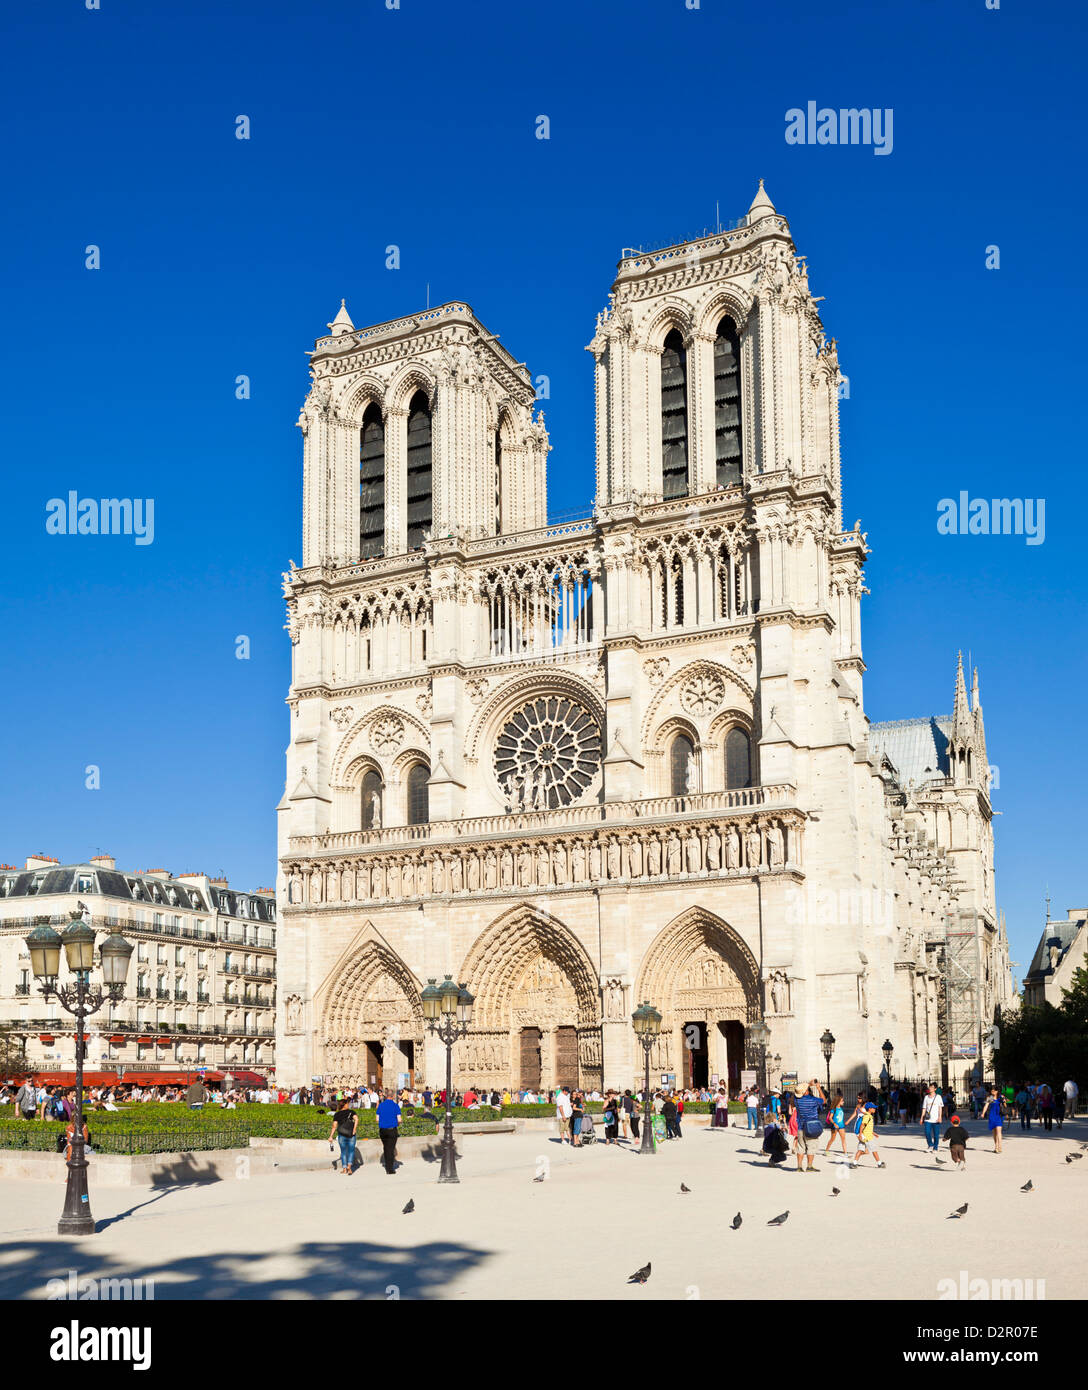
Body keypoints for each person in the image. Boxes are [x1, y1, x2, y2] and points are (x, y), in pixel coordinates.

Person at [791, 1080, 826, 1173]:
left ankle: (799, 1166)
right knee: (811, 1146)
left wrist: (806, 1085)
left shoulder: (797, 1100)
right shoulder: (813, 1100)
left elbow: (794, 1097)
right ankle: (809, 1166)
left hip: (801, 1127)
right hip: (811, 1127)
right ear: (806, 1091)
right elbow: (824, 1100)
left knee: (800, 1147)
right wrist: (818, 1088)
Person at [850, 1101, 885, 1168]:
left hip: (864, 1136)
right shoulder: (867, 1116)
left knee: (860, 1150)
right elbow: (862, 1125)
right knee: (874, 1150)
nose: (875, 1109)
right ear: (869, 1109)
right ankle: (879, 1163)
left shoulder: (868, 1116)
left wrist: (874, 1133)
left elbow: (867, 1128)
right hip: (867, 1137)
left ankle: (854, 1163)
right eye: (873, 1108)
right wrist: (860, 1134)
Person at [328, 1098, 358, 1176]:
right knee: (351, 1151)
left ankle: (344, 1169)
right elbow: (356, 1119)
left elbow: (334, 1126)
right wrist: (354, 1129)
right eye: (347, 1104)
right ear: (344, 1105)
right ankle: (349, 1167)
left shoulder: (337, 1114)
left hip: (341, 1135)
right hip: (351, 1134)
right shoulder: (351, 1112)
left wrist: (331, 1136)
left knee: (343, 1152)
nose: (348, 1105)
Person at [376, 1089, 401, 1174]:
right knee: (391, 1149)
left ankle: (387, 1166)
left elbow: (377, 1119)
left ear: (386, 1096)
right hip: (392, 1129)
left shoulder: (381, 1105)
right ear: (393, 1096)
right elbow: (399, 1119)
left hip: (382, 1130)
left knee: (386, 1147)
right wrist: (397, 1123)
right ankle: (390, 1169)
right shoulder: (395, 1106)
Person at [921, 1083, 944, 1159]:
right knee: (927, 1132)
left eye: (932, 1087)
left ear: (935, 1089)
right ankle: (930, 1145)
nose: (930, 1088)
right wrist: (922, 1118)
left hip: (936, 1118)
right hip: (928, 1119)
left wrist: (940, 1117)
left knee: (936, 1134)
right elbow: (924, 1108)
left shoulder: (938, 1097)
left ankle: (935, 1147)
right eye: (929, 1087)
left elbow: (940, 1108)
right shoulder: (926, 1097)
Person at [824, 1090, 848, 1157]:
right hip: (834, 1126)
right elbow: (830, 1118)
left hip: (841, 1126)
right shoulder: (833, 1109)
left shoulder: (841, 1109)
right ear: (838, 1101)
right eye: (842, 1101)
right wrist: (834, 1123)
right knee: (832, 1139)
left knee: (843, 1139)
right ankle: (826, 1151)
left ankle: (845, 1153)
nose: (843, 1102)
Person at [981, 1086, 1005, 1153]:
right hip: (992, 1116)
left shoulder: (1000, 1097)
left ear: (997, 1091)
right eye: (991, 1091)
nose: (992, 1092)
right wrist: (983, 1113)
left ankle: (1000, 1147)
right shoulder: (990, 1098)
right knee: (994, 1133)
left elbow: (1005, 1105)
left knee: (999, 1132)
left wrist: (1004, 1100)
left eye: (993, 1091)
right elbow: (986, 1105)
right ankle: (996, 1146)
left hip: (999, 1116)